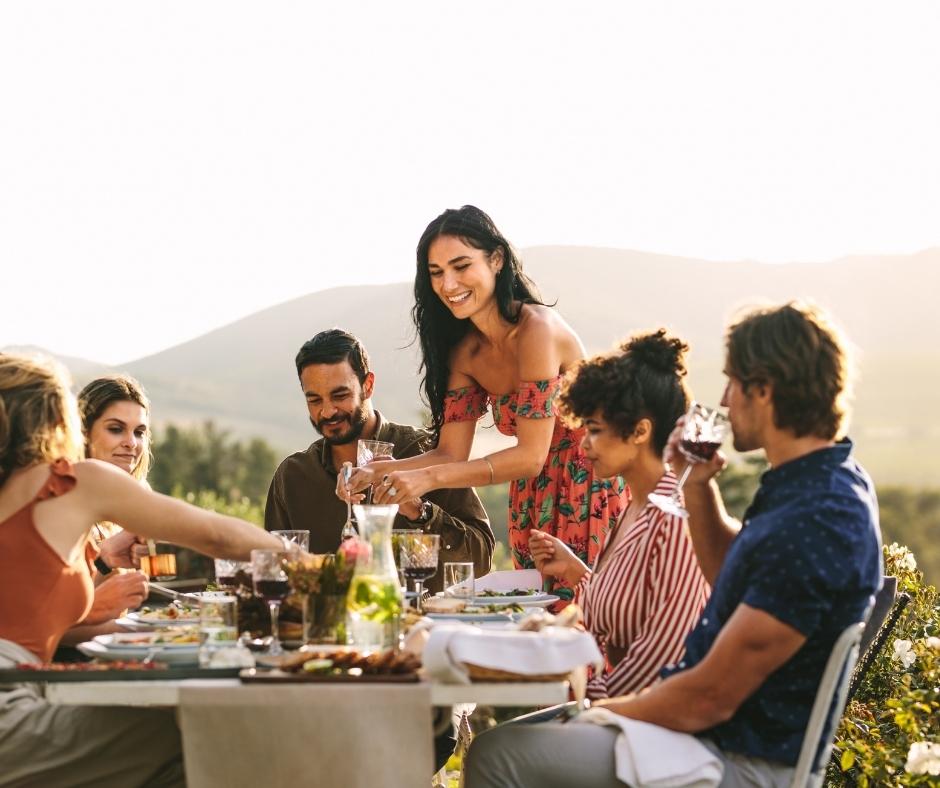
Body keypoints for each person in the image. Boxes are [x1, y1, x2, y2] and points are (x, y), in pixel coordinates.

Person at [464, 301, 883, 788]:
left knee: (498, 755)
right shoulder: (806, 483)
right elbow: (731, 572)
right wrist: (701, 487)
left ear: (764, 390)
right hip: (707, 738)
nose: (724, 400)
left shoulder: (819, 517)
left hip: (736, 758)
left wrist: (600, 712)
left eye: (733, 382)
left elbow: (711, 696)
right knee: (510, 742)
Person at [0, 352, 287, 785]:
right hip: (10, 707)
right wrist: (305, 561)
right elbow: (216, 535)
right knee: (207, 731)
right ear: (58, 419)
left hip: (29, 686)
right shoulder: (71, 481)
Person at [346, 206, 627, 601]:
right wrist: (380, 470)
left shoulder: (537, 331)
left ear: (496, 260)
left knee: (590, 618)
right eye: (437, 272)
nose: (449, 284)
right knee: (535, 623)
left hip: (590, 487)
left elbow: (531, 455)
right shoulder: (465, 353)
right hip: (532, 498)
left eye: (461, 266)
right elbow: (449, 451)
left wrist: (427, 480)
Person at [529, 330, 709, 699]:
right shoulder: (637, 506)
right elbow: (629, 609)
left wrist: (572, 694)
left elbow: (661, 662)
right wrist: (578, 572)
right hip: (618, 704)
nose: (584, 444)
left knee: (496, 751)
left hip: (653, 721)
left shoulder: (675, 519)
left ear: (640, 430)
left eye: (594, 430)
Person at [265, 328, 494, 592]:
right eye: (314, 400)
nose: (327, 411)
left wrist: (420, 512)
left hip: (427, 627)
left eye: (340, 396)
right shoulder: (293, 476)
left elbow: (481, 560)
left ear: (368, 385)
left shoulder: (429, 452)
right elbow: (274, 573)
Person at [58, 375, 155, 650]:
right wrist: (129, 630)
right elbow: (48, 625)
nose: (131, 443)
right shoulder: (60, 501)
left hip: (114, 659)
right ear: (83, 433)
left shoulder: (133, 500)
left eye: (139, 432)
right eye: (116, 429)